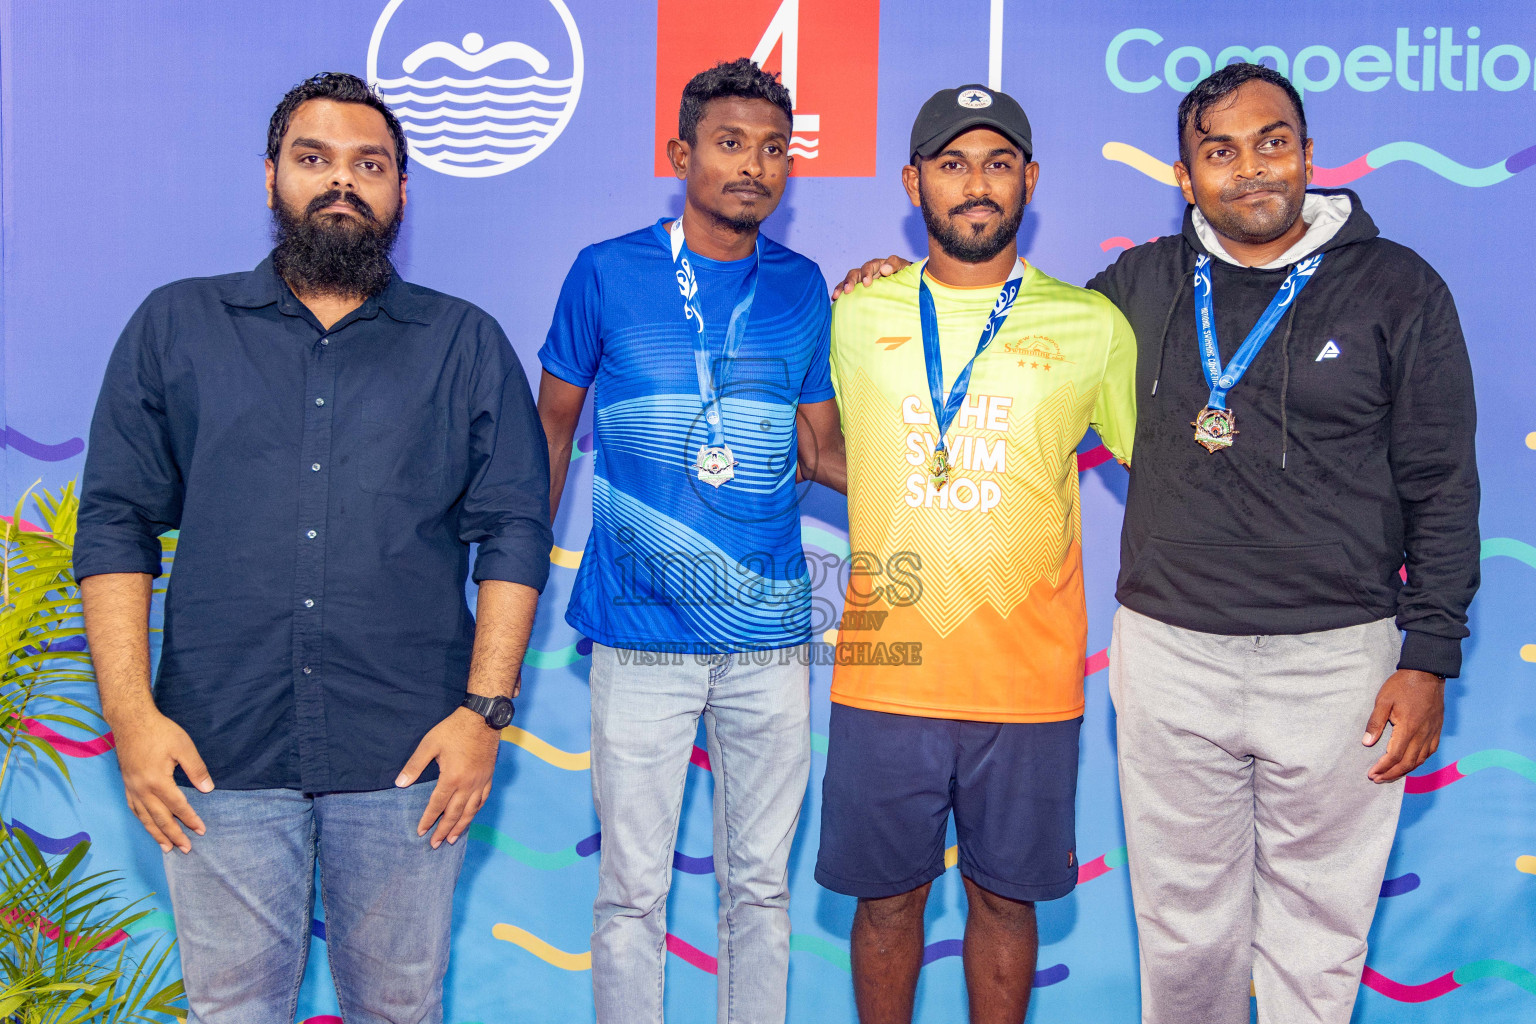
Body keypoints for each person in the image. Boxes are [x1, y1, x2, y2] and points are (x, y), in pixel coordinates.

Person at [837, 62, 1480, 1024]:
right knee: (1182, 935)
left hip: (1340, 657)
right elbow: (995, 332)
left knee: (1322, 936)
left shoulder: (1396, 287)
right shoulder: (1132, 289)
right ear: (1187, 177)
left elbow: (1442, 479)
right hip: (1170, 654)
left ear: (1308, 153)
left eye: (1272, 143)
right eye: (1219, 152)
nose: (1250, 170)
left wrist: (1429, 652)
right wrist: (885, 278)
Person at [75, 72, 552, 1024]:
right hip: (217, 751)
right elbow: (116, 522)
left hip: (409, 758)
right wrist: (131, 717)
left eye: (368, 165)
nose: (342, 182)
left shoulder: (463, 342)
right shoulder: (178, 325)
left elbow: (512, 530)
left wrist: (484, 716)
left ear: (400, 192)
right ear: (271, 179)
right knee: (233, 1011)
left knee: (399, 1009)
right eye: (314, 159)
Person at [815, 85, 1136, 1024]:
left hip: (1028, 680)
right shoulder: (854, 315)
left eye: (998, 163)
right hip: (887, 672)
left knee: (1007, 899)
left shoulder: (1090, 326)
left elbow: (1165, 474)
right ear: (913, 182)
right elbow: (819, 450)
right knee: (885, 904)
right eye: (952, 164)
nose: (976, 184)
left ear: (1029, 181)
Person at [535, 59, 844, 1024]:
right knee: (632, 892)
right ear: (680, 155)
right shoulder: (606, 270)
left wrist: (956, 502)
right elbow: (550, 431)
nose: (753, 166)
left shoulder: (802, 287)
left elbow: (824, 450)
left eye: (771, 149)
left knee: (760, 889)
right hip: (639, 632)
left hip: (769, 639)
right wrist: (509, 578)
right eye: (728, 144)